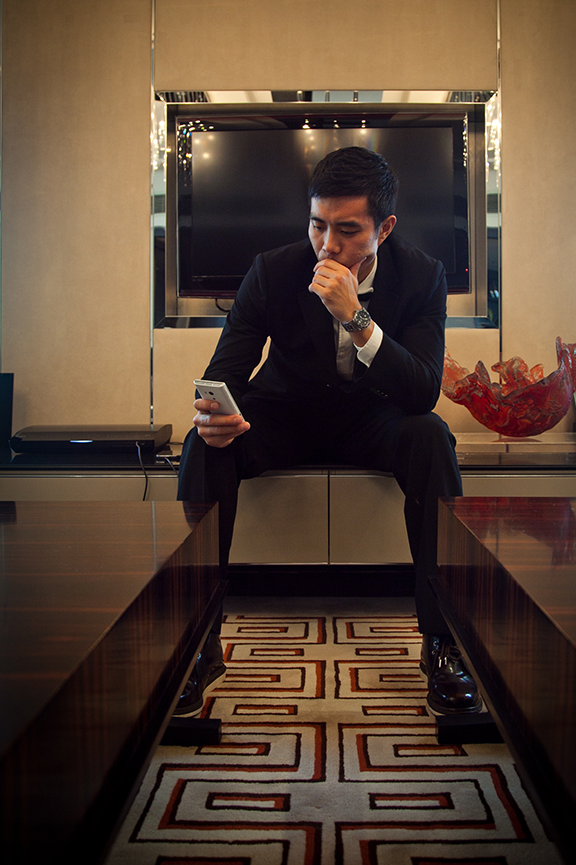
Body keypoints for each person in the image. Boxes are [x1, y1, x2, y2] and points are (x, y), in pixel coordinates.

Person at [176, 146, 480, 718]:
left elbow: (421, 390)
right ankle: (196, 639)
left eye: (347, 230)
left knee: (431, 436)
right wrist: (213, 414)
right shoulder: (273, 269)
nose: (327, 245)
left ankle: (442, 641)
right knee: (203, 445)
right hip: (285, 415)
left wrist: (354, 317)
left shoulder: (423, 275)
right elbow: (227, 370)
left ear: (384, 228)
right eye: (318, 225)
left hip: (374, 417)